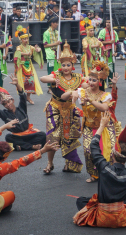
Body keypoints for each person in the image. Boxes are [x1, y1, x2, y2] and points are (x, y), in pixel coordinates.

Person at [73, 113, 126, 228]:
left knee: (81, 201)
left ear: (112, 153)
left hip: (102, 217)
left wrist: (102, 126)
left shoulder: (104, 168)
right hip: (120, 218)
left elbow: (93, 145)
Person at [40, 41, 87, 174]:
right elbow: (43, 78)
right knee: (52, 137)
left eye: (68, 64)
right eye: (63, 64)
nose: (66, 67)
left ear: (72, 65)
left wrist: (95, 79)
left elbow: (87, 84)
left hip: (70, 110)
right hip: (54, 108)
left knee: (69, 137)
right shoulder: (57, 75)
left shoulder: (78, 77)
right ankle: (50, 163)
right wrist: (53, 80)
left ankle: (69, 163)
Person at [70, 61, 115, 183]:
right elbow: (74, 92)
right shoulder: (83, 92)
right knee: (87, 150)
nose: (90, 82)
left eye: (94, 80)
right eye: (89, 79)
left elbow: (104, 108)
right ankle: (93, 174)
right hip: (89, 126)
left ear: (100, 82)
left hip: (104, 126)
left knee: (108, 151)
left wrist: (90, 101)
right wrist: (74, 96)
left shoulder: (105, 95)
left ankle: (107, 173)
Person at [0, 74, 47, 152]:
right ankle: (31, 146)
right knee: (8, 137)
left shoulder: (21, 108)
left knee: (42, 135)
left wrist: (17, 84)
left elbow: (22, 96)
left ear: (12, 100)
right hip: (17, 136)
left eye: (9, 101)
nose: (8, 104)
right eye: (5, 104)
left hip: (29, 133)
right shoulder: (4, 114)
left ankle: (21, 146)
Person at [14, 26, 44, 104]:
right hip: (22, 66)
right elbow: (18, 53)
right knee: (22, 82)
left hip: (29, 66)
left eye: (27, 38)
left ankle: (28, 97)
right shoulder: (19, 47)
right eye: (24, 39)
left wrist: (38, 49)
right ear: (21, 40)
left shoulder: (30, 47)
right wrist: (25, 53)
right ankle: (22, 97)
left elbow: (36, 51)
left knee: (30, 81)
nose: (26, 40)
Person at [98, 18, 119, 87]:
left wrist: (115, 52)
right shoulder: (102, 31)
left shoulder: (114, 32)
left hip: (111, 54)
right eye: (107, 22)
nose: (108, 23)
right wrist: (109, 42)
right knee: (103, 68)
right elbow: (99, 42)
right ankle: (102, 83)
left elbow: (115, 43)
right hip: (104, 53)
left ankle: (110, 83)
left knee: (111, 68)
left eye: (109, 22)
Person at [43, 17, 62, 92]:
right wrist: (55, 44)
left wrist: (60, 54)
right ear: (52, 23)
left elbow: (59, 44)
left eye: (57, 23)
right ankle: (49, 87)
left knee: (58, 70)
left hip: (57, 53)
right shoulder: (46, 33)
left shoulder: (57, 32)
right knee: (50, 70)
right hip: (50, 54)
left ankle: (56, 85)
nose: (57, 24)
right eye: (56, 23)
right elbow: (45, 45)